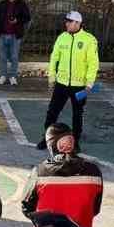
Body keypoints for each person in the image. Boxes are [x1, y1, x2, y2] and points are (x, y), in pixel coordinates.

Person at [20, 124, 104, 227]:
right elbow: (95, 209)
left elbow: (27, 209)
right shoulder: (94, 172)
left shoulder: (39, 173)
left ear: (51, 146)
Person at [38, 10, 99, 149]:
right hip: (61, 84)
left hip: (80, 86)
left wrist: (89, 83)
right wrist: (51, 78)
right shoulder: (62, 38)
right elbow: (54, 58)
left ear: (77, 23)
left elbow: (93, 63)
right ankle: (46, 138)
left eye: (69, 21)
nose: (66, 24)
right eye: (66, 21)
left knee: (77, 114)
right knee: (52, 112)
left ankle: (75, 142)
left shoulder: (89, 40)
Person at [0, 0, 31, 87]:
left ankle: (13, 76)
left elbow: (27, 17)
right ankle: (3, 75)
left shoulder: (21, 4)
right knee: (2, 57)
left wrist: (17, 20)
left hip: (15, 35)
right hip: (2, 34)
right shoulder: (2, 4)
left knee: (14, 57)